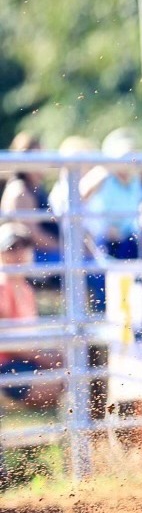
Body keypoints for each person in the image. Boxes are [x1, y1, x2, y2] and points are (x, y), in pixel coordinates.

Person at [80, 127, 142, 311]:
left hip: (131, 242)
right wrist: (107, 167)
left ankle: (137, 318)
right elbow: (81, 192)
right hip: (103, 243)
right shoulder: (104, 177)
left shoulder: (137, 181)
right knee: (107, 278)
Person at [0, 223, 63, 409]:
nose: (19, 252)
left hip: (20, 361)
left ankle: (87, 427)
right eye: (12, 247)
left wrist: (48, 356)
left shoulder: (25, 288)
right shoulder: (3, 288)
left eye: (25, 245)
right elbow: (6, 341)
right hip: (7, 365)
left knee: (74, 369)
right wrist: (44, 358)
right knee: (68, 379)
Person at [0, 132, 61, 264]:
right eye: (37, 157)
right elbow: (32, 235)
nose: (42, 162)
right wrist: (65, 249)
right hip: (36, 256)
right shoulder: (20, 191)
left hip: (48, 253)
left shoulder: (34, 188)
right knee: (88, 268)